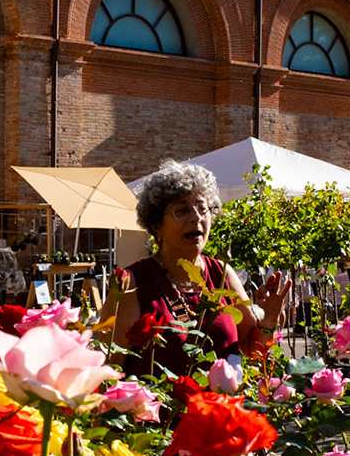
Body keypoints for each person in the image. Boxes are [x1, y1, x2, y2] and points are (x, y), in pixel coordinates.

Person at [101, 161, 290, 378]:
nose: (196, 217)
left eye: (202, 208)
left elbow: (252, 350)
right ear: (156, 226)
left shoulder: (222, 274)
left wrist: (268, 322)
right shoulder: (133, 282)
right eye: (182, 210)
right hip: (157, 411)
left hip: (219, 409)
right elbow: (109, 367)